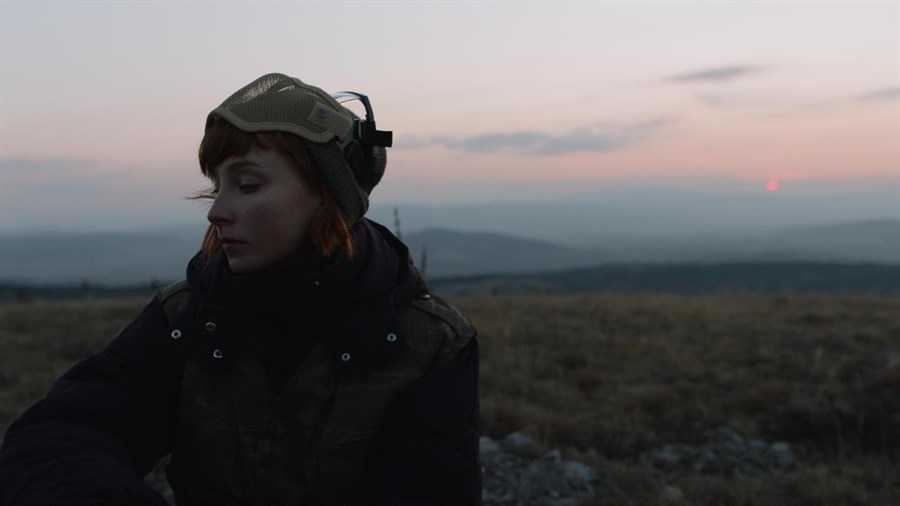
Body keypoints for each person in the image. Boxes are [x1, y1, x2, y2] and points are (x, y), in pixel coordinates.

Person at [0, 73, 481, 506]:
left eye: (247, 185)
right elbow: (64, 433)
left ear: (327, 196)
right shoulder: (185, 317)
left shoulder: (430, 345)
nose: (216, 212)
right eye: (217, 187)